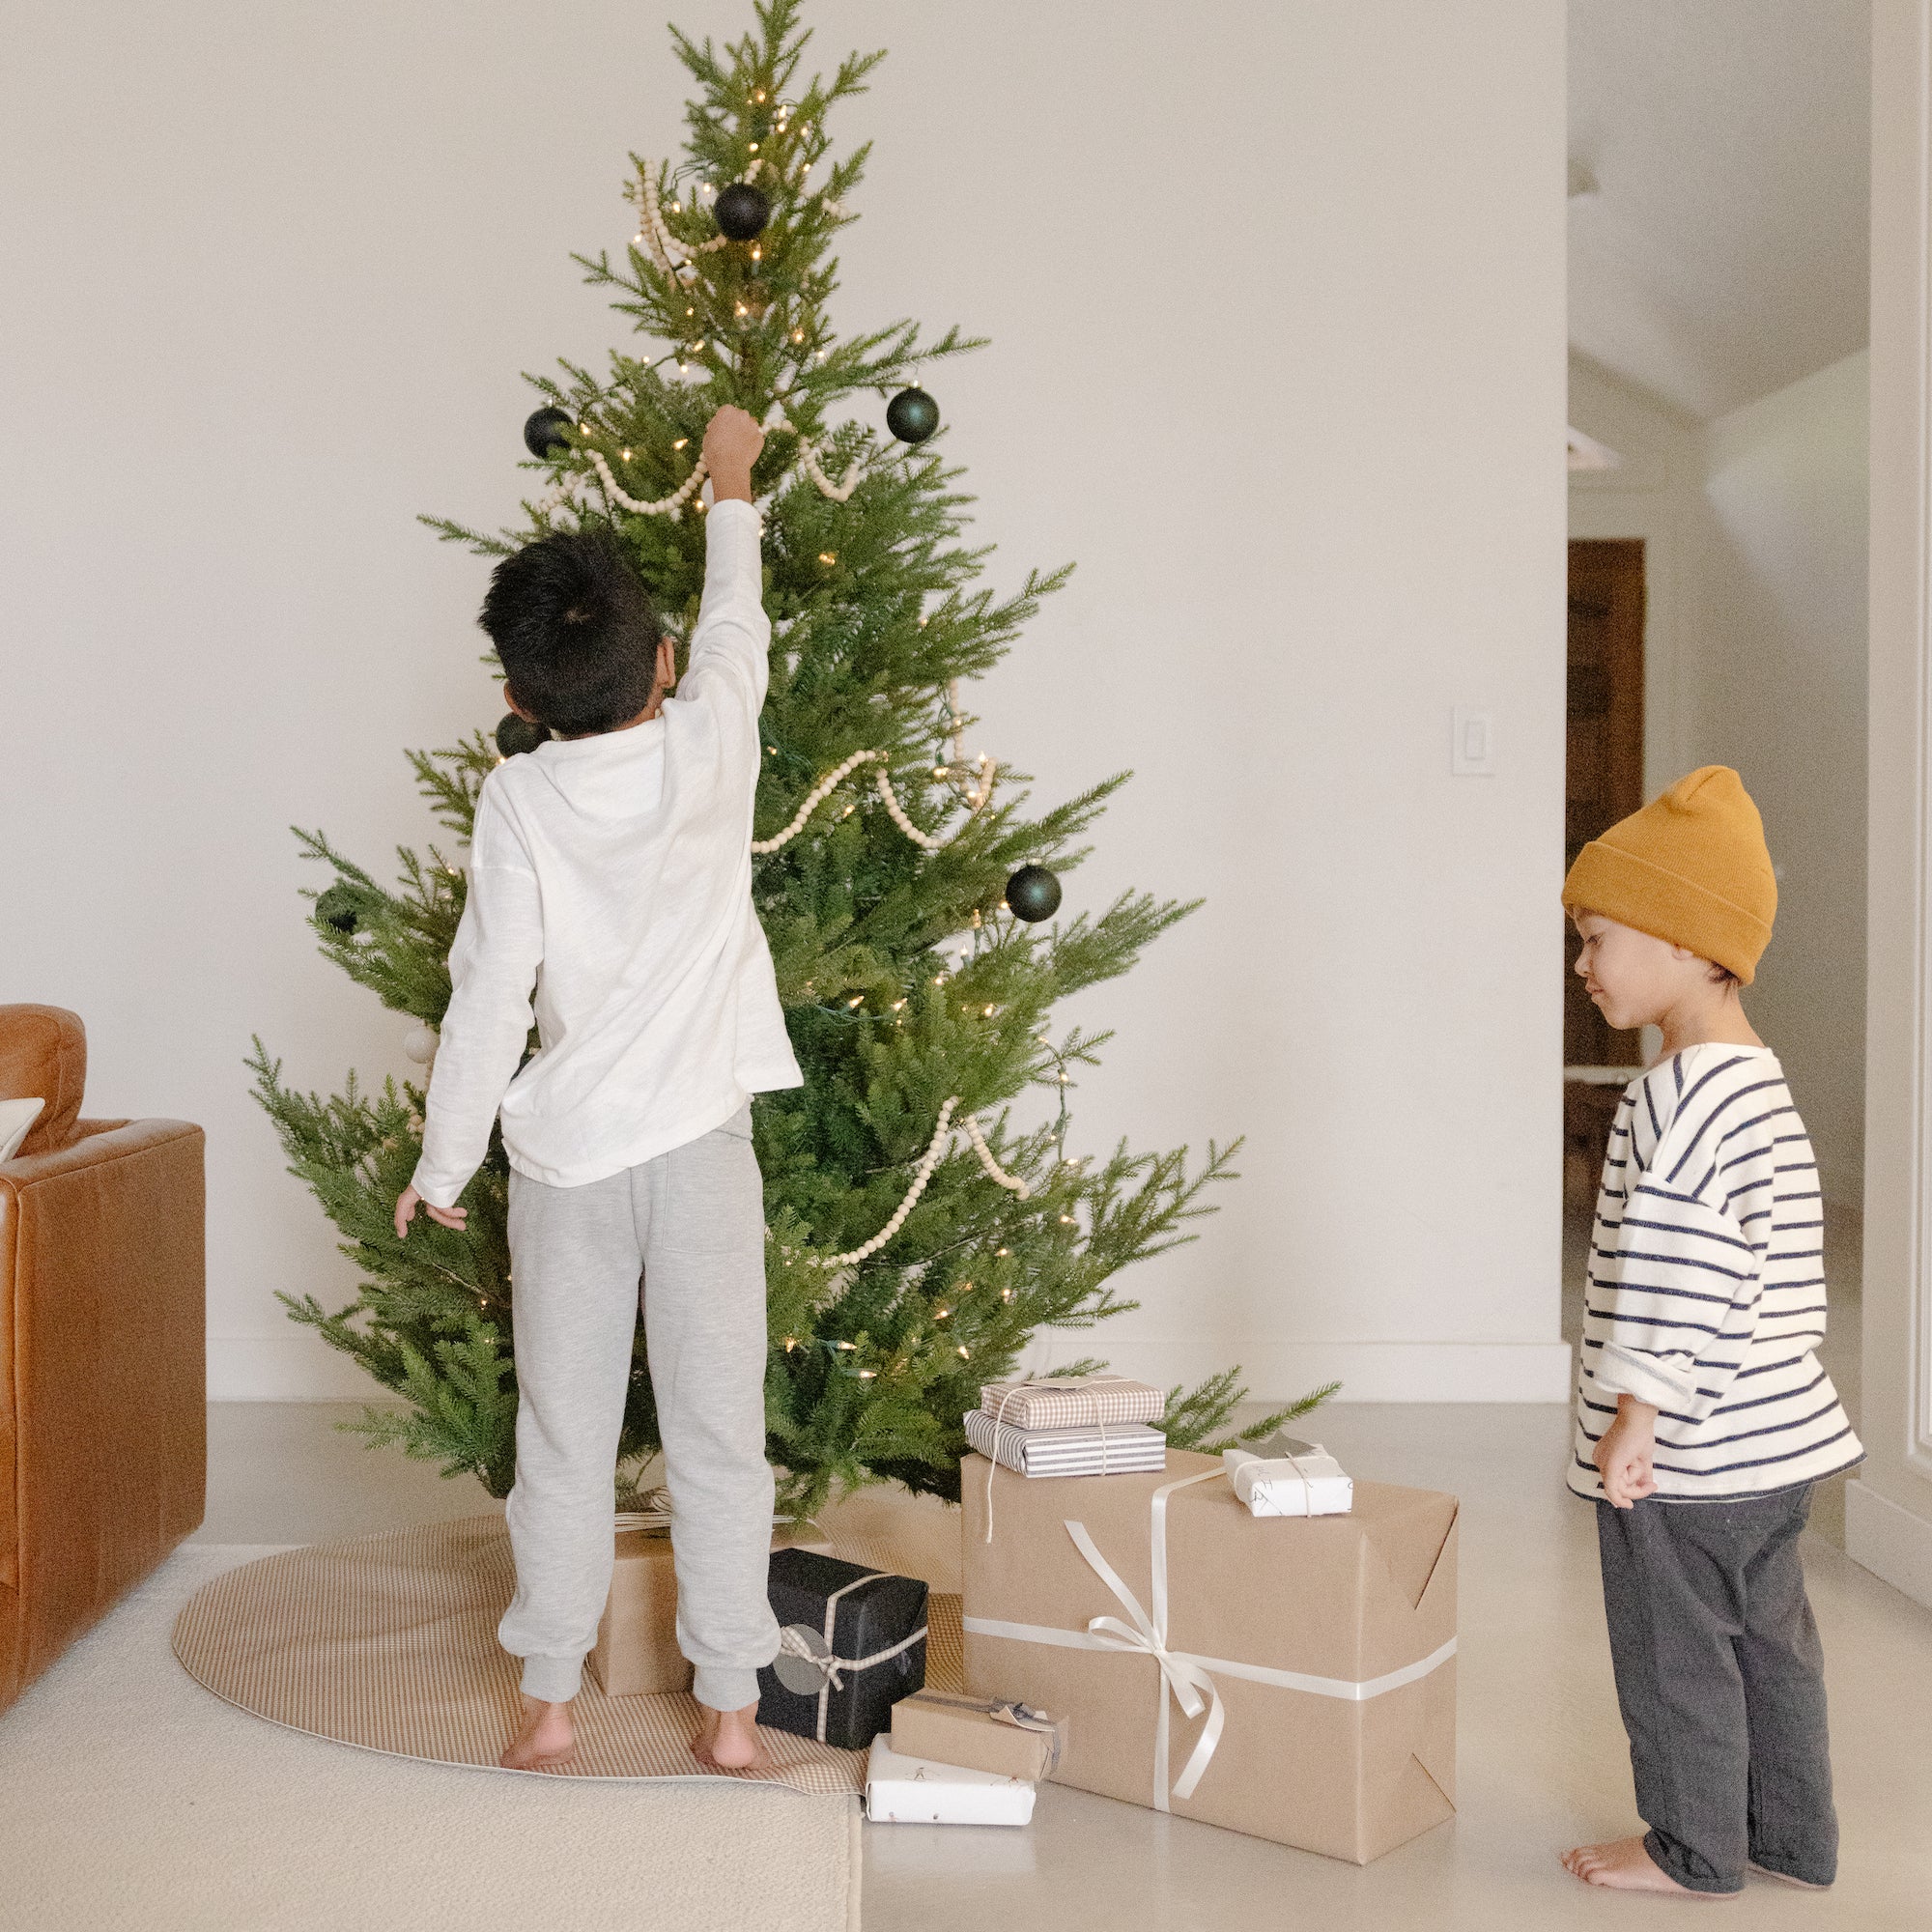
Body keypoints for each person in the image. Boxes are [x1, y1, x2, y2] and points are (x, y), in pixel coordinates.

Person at [392, 405, 800, 1774]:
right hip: (700, 1154)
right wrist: (730, 481)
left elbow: (489, 997)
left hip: (565, 1168)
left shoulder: (518, 806)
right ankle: (733, 1710)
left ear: (518, 706)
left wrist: (444, 1168)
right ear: (664, 663)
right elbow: (738, 620)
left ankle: (553, 1705)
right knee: (717, 1437)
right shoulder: (711, 745)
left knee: (562, 1438)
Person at [1557, 765, 1861, 1898]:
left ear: (1689, 943)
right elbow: (1769, 1265)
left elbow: (1678, 1272)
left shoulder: (1674, 1099)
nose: (1582, 963)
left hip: (1686, 1457)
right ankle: (1790, 1832)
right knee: (1768, 1642)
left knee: (1675, 1651)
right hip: (1775, 1446)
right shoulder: (1757, 1084)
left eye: (1598, 936)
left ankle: (1691, 1844)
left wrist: (1635, 1413)